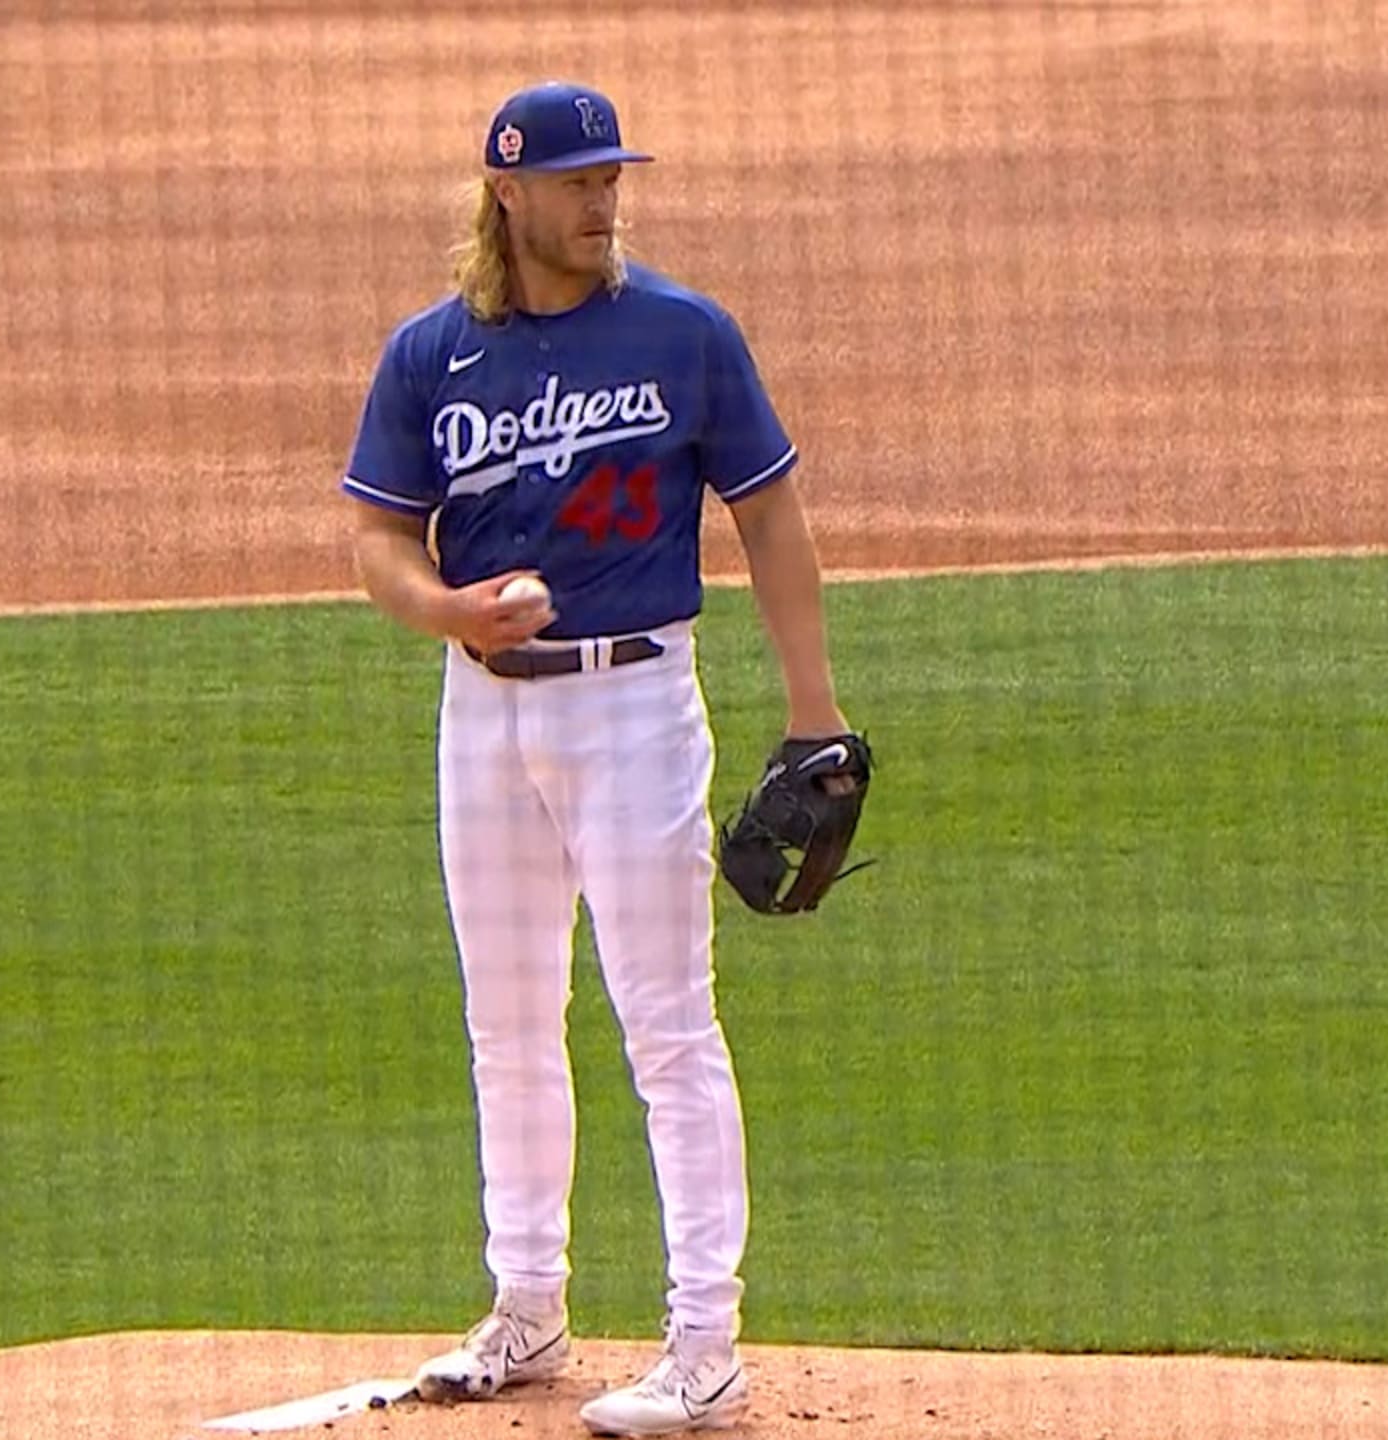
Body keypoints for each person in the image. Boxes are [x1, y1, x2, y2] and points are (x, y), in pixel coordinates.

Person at [337, 79, 852, 1436]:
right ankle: (526, 1305)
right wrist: (445, 610)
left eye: (612, 177)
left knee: (666, 1024)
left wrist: (813, 711)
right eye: (578, 181)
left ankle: (705, 1340)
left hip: (633, 708)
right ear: (506, 192)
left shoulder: (684, 334)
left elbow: (771, 516)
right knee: (505, 1018)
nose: (603, 201)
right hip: (483, 715)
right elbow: (378, 537)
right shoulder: (431, 354)